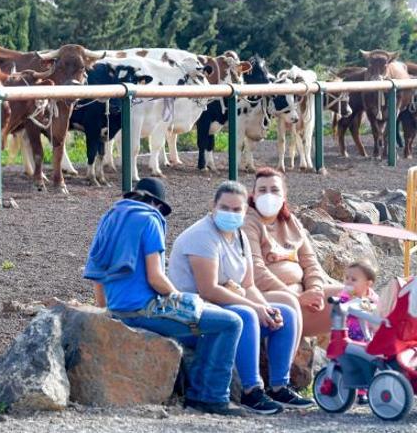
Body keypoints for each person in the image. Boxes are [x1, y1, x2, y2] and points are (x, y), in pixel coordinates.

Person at [85, 178, 246, 417]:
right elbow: (155, 277)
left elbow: (96, 272)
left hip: (118, 309)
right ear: (157, 204)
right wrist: (181, 298)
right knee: (230, 322)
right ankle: (210, 397)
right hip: (145, 309)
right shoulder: (150, 219)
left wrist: (107, 312)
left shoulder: (109, 218)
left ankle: (200, 391)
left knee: (209, 324)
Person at [168, 181, 314, 414]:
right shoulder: (201, 236)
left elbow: (248, 284)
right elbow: (208, 290)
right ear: (212, 206)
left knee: (284, 313)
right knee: (247, 315)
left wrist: (265, 308)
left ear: (245, 212)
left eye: (237, 210)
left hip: (224, 308)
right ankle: (251, 391)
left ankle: (279, 386)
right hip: (193, 316)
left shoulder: (239, 236)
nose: (231, 213)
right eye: (225, 207)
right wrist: (253, 307)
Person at [243, 167, 343, 339]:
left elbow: (310, 262)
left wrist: (315, 291)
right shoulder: (248, 223)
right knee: (289, 305)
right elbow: (256, 272)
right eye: (262, 190)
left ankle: (361, 360)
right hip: (271, 298)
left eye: (274, 190)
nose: (268, 195)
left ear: (284, 196)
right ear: (254, 195)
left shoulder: (291, 223)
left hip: (303, 294)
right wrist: (297, 297)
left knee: (355, 298)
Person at [339, 259, 379, 404]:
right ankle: (350, 389)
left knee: (367, 362)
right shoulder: (345, 295)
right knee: (352, 362)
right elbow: (340, 306)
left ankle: (364, 392)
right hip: (349, 334)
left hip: (366, 335)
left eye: (354, 279)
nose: (348, 282)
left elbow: (376, 310)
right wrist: (344, 299)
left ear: (368, 284)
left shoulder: (372, 296)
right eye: (347, 278)